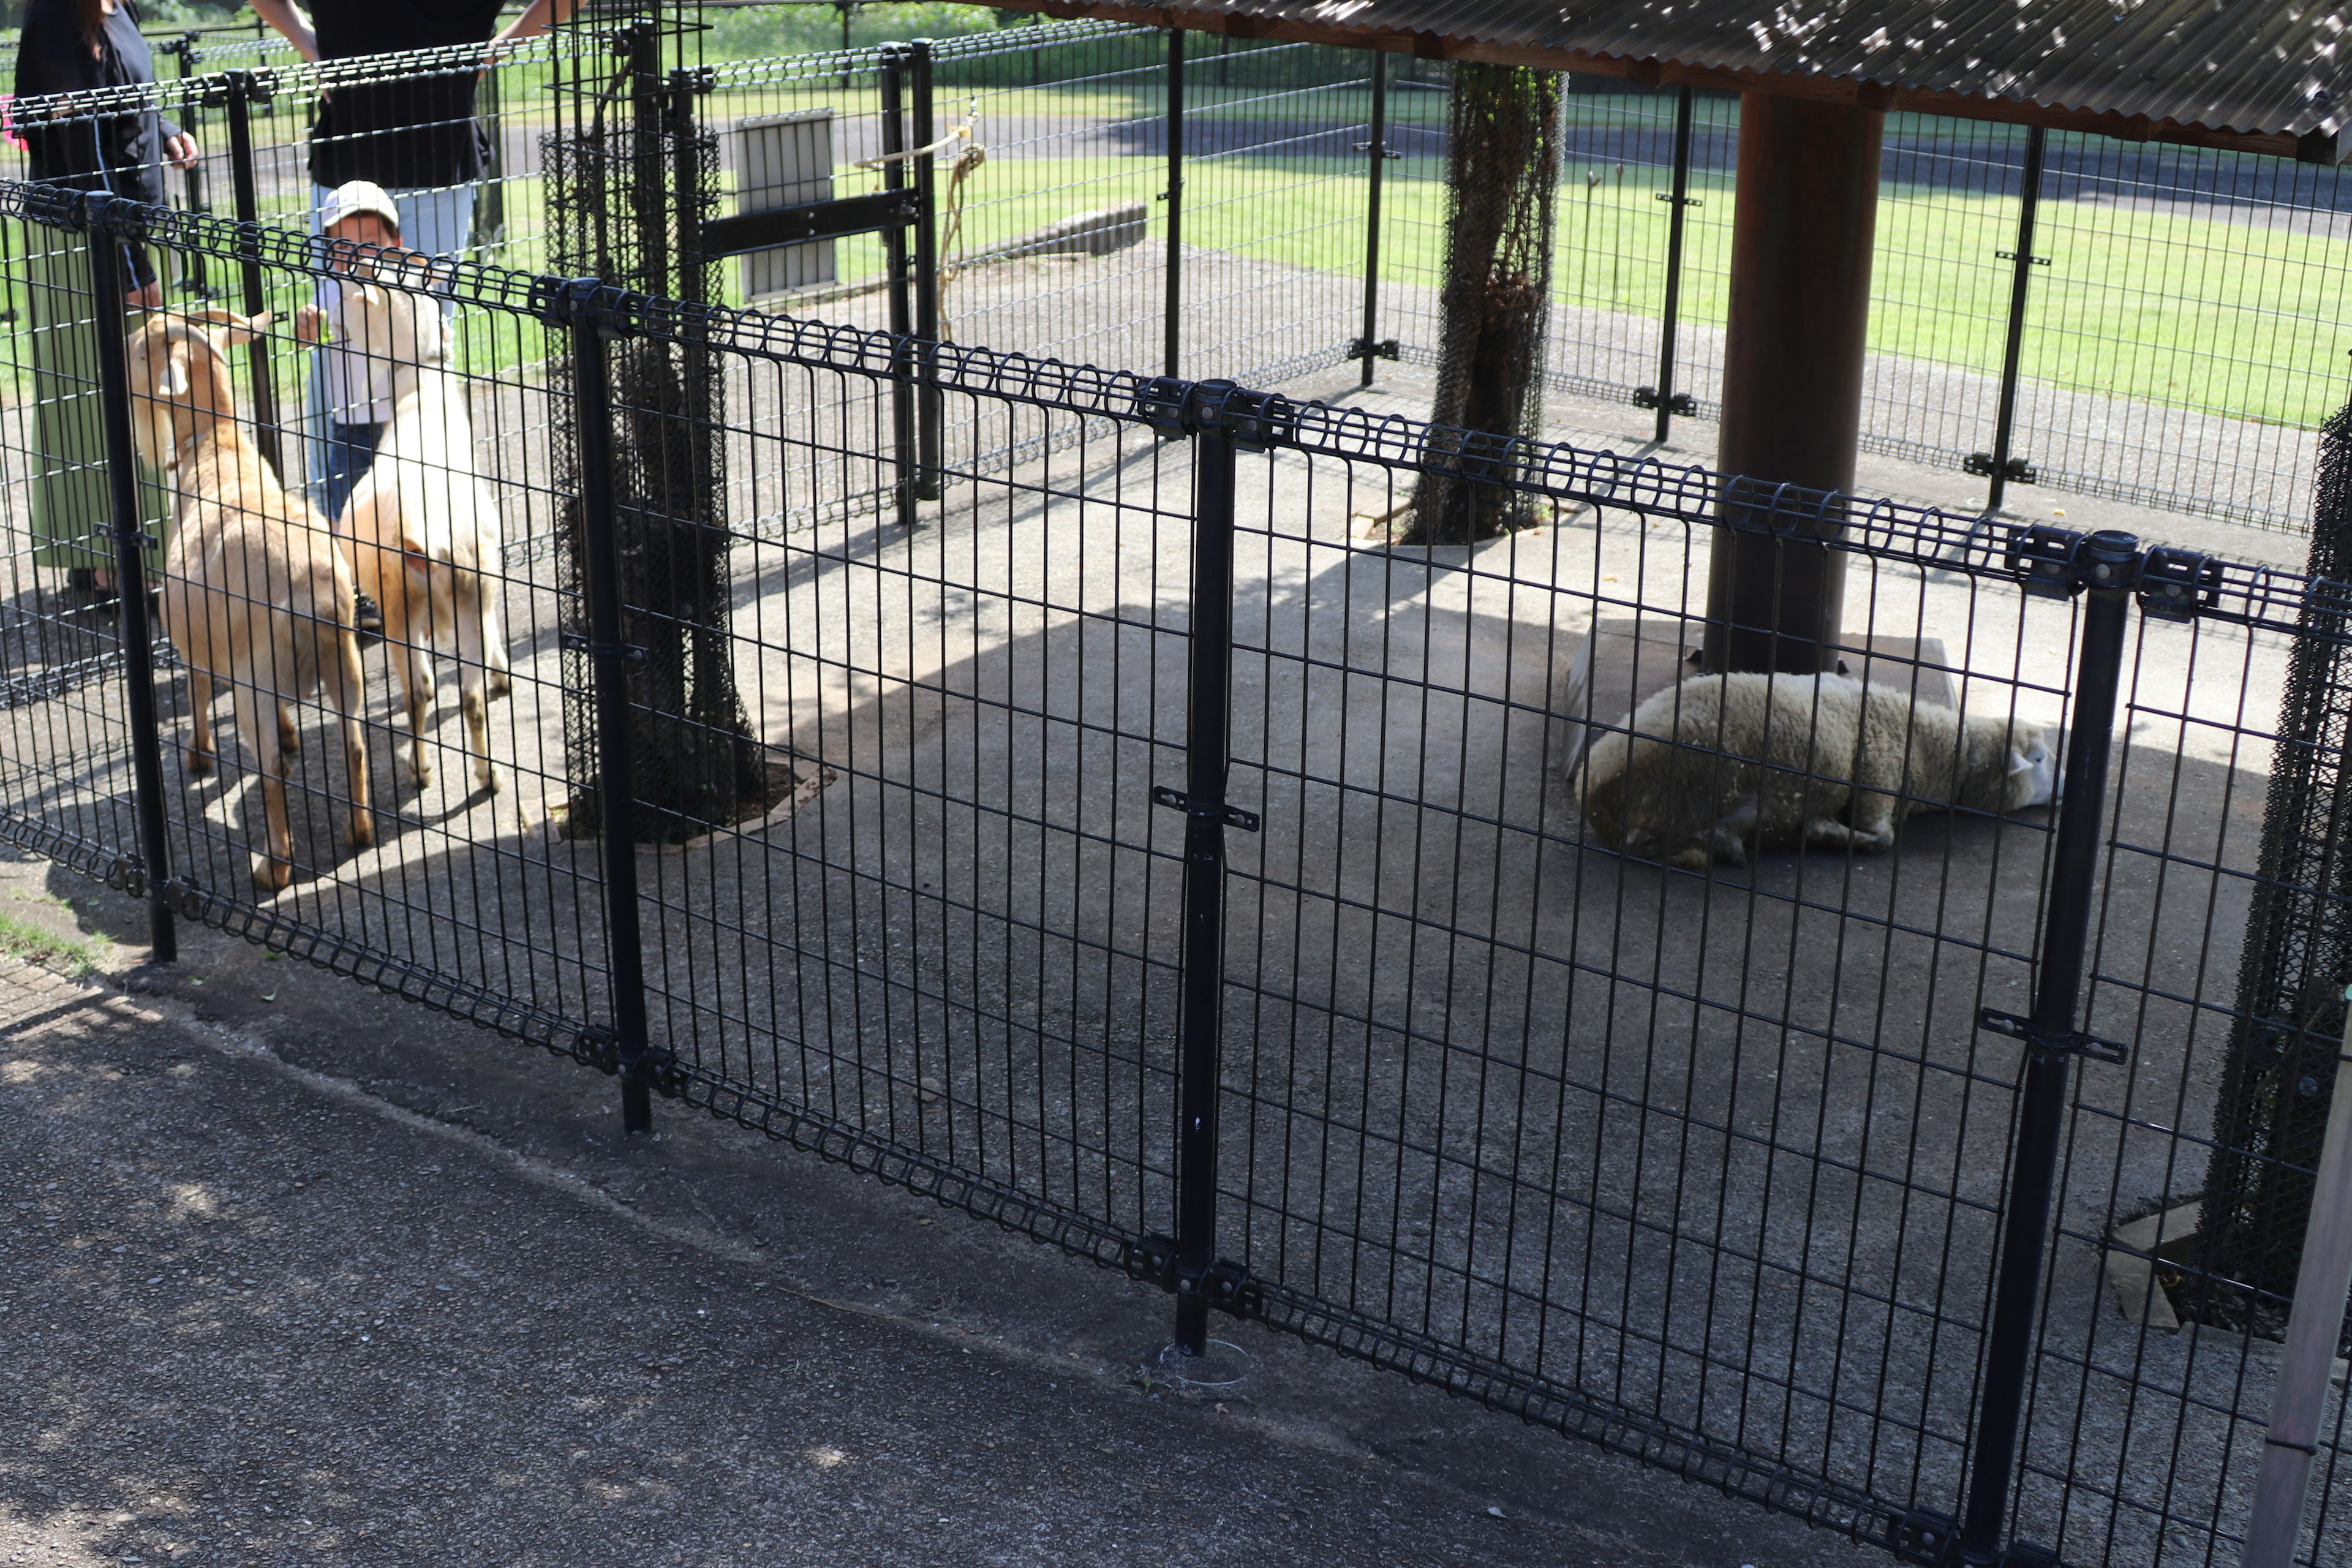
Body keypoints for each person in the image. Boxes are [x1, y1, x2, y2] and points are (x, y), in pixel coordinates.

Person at [13, 0, 198, 597]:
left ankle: (127, 550)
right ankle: (107, 558)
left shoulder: (120, 10)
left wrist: (163, 130)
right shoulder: (55, 20)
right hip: (85, 246)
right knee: (101, 402)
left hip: (126, 232)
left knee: (140, 398)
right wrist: (128, 261)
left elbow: (126, 96)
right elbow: (83, 150)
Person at [295, 179, 409, 531]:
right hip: (351, 427)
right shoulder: (334, 288)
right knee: (343, 516)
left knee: (403, 510)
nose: (358, 253)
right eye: (344, 245)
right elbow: (307, 339)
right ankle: (347, 577)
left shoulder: (407, 284)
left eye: (371, 243)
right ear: (330, 252)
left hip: (402, 424)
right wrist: (308, 325)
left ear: (396, 244)